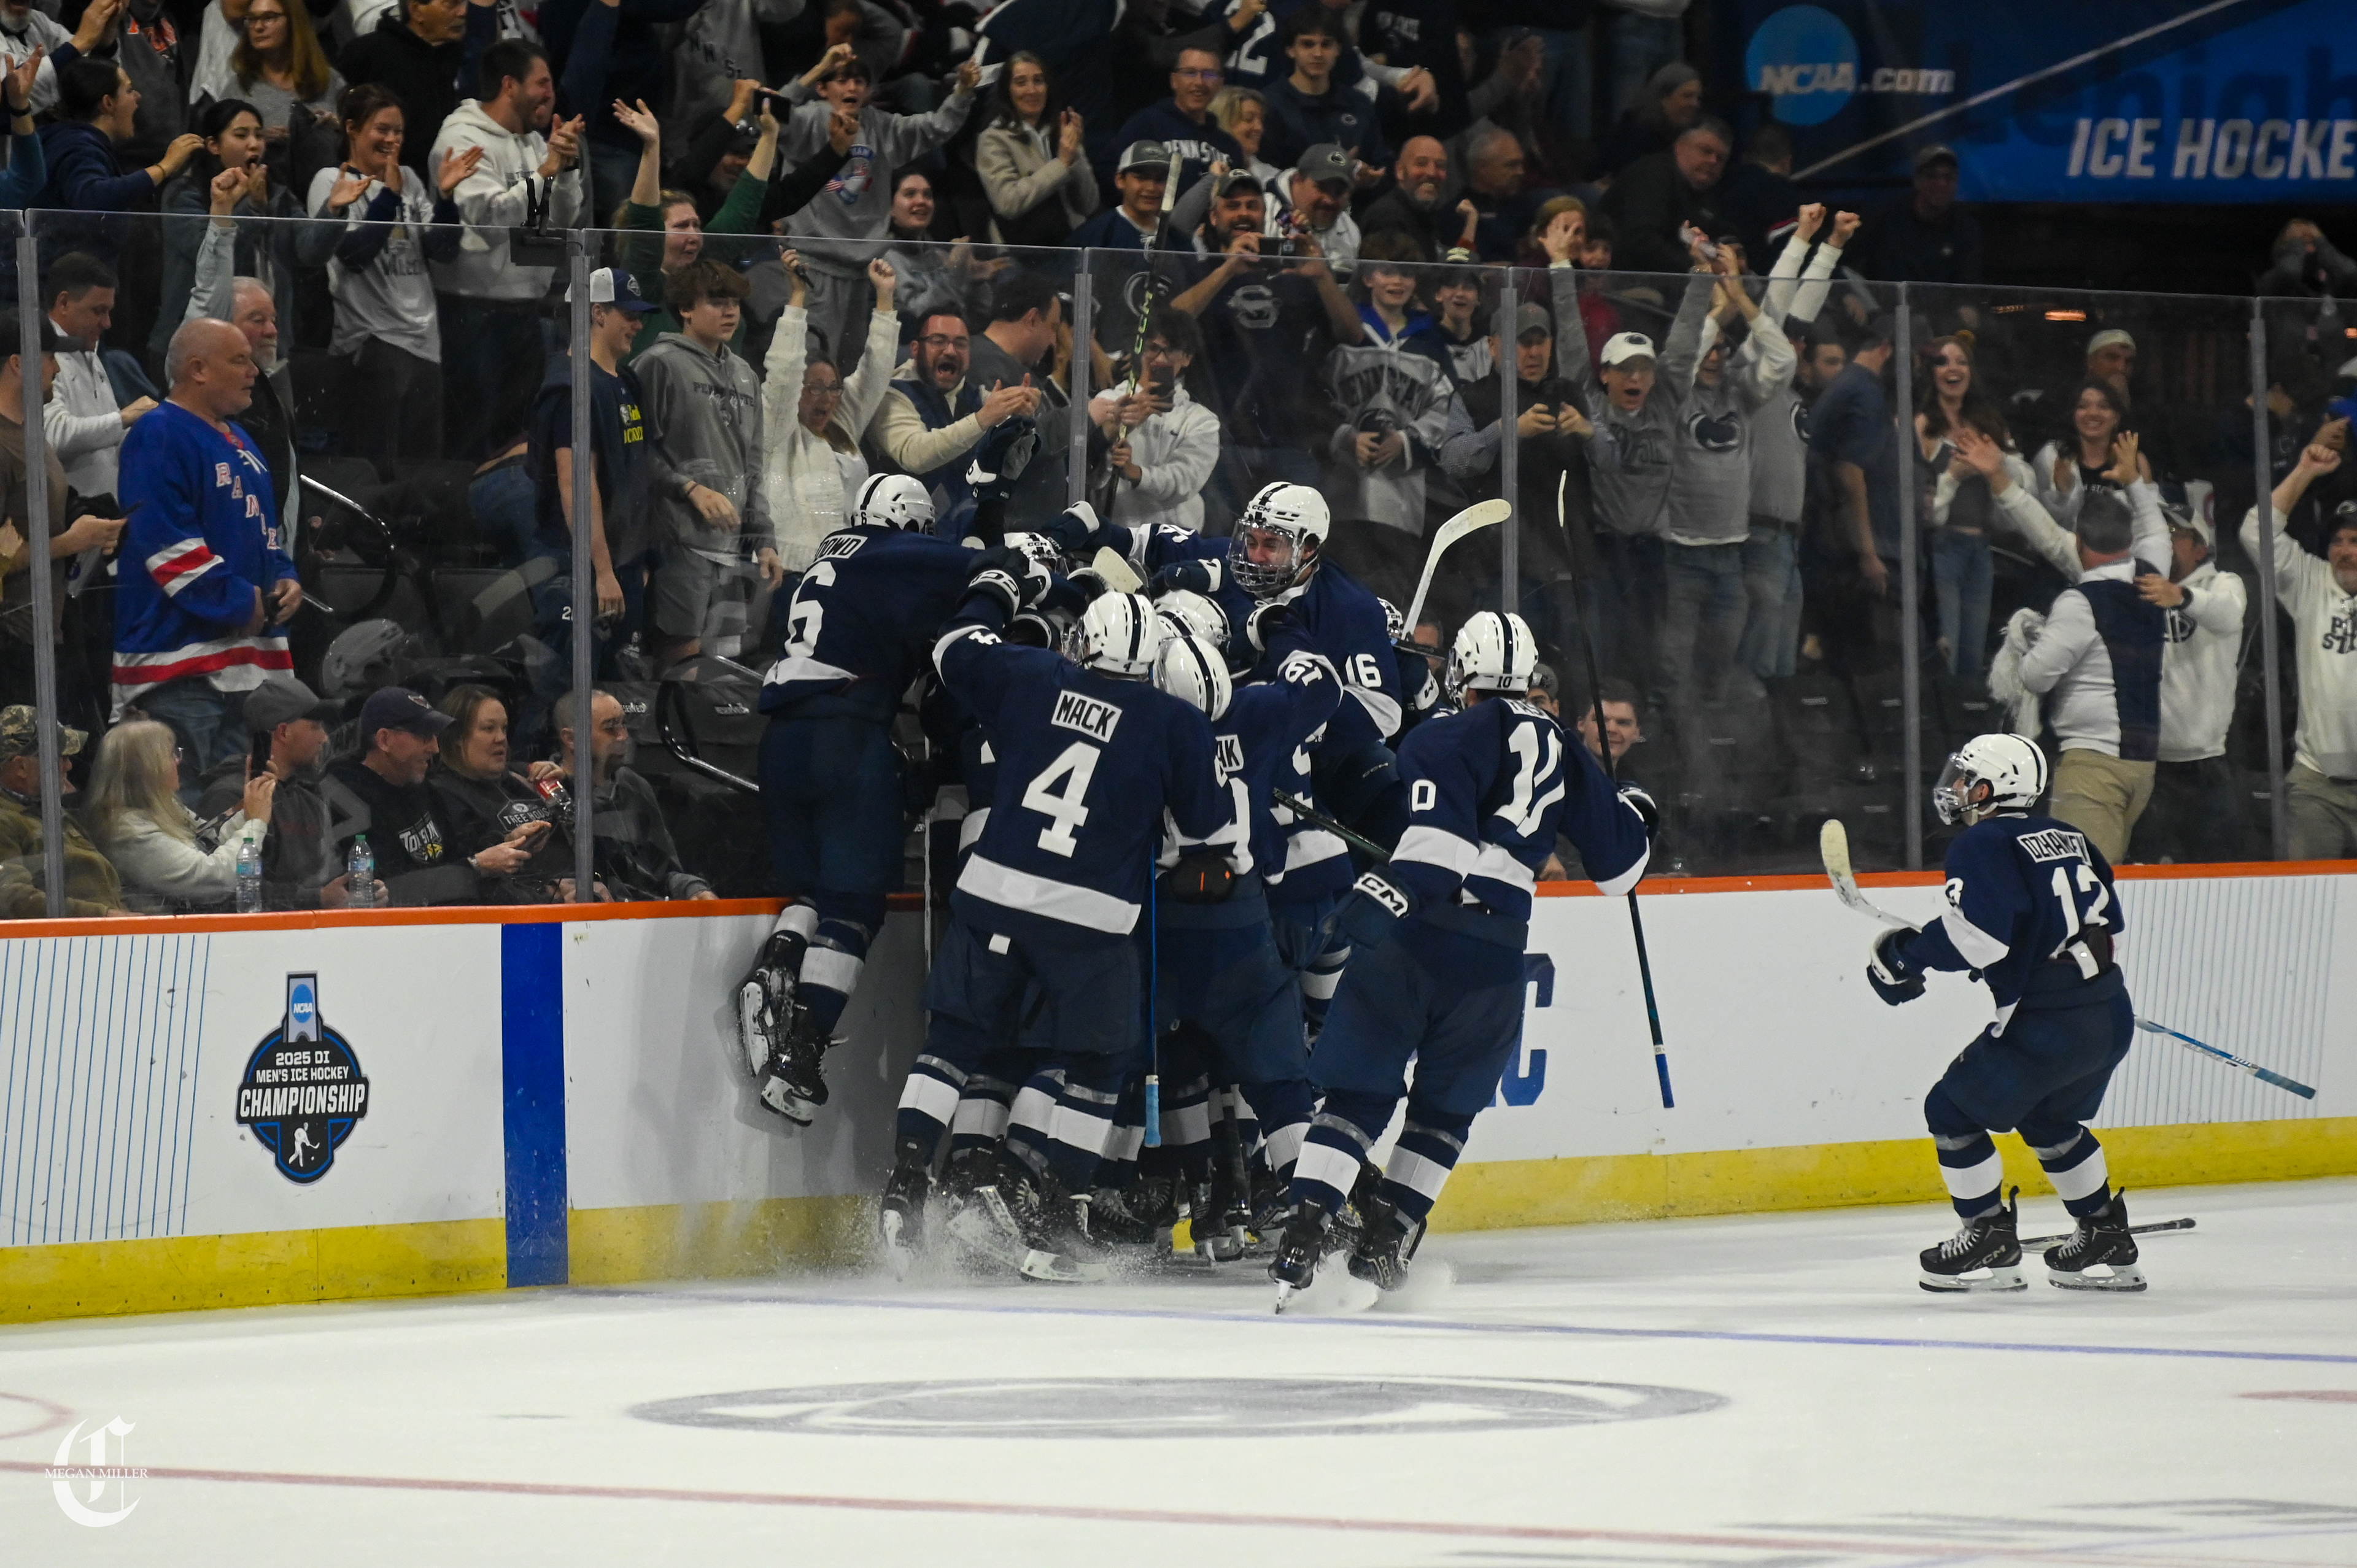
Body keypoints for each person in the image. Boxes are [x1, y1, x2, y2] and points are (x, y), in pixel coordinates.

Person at [1266, 611, 1652, 1307]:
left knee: (1356, 1095)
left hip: (1418, 938)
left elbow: (1437, 853)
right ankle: (1387, 1241)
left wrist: (1377, 898)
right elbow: (1622, 870)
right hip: (1495, 957)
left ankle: (1304, 1228)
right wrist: (1634, 812)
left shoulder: (1442, 734)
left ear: (1462, 676)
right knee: (1443, 1115)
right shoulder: (1565, 746)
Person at [882, 584, 1234, 1283]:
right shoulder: (1172, 719)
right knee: (1101, 1064)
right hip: (1089, 921)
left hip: (993, 895)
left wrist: (998, 585)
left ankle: (905, 1187)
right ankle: (1055, 1218)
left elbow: (952, 647)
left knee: (952, 1043)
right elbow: (1208, 831)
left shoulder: (1034, 674)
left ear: (1085, 643)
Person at [733, 472, 993, 1128]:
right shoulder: (895, 552)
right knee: (853, 908)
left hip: (781, 740)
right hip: (846, 736)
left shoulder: (829, 555)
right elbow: (983, 568)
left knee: (811, 889)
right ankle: (800, 1056)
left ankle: (777, 964)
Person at [1867, 732, 2145, 1292]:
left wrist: (1905, 956)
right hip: (2107, 1011)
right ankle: (2105, 1233)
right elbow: (2102, 919)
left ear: (1991, 788)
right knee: (2049, 1121)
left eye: (1967, 778)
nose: (1956, 787)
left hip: (2048, 1024)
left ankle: (1987, 1234)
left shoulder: (1983, 842)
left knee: (1950, 1111)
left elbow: (1981, 939)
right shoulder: (2068, 835)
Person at [1137, 620, 1342, 1259]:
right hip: (1242, 923)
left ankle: (1163, 1196)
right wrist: (1277, 634)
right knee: (1280, 1080)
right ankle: (1308, 1217)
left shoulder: (1143, 727)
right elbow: (1326, 687)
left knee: (1152, 1064)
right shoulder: (1256, 710)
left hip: (1165, 926)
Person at [115, 317, 299, 771]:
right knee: (182, 803)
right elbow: (166, 546)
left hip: (246, 668)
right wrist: (242, 601)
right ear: (198, 369)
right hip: (179, 665)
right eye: (239, 360)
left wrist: (285, 577)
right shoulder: (158, 433)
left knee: (235, 803)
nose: (253, 372)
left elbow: (264, 532)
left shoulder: (242, 439)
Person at [1547, 212, 1713, 678]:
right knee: (1605, 649)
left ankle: (1644, 715)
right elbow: (1570, 334)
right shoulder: (1589, 399)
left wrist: (1702, 274)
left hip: (1653, 552)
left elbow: (1685, 342)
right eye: (1624, 369)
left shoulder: (1665, 401)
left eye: (1643, 368)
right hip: (1601, 548)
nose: (1635, 377)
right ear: (1605, 374)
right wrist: (1560, 266)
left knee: (1650, 654)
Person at [767, 45, 980, 378]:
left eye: (859, 81)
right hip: (813, 268)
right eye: (842, 80)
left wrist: (963, 91)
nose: (852, 87)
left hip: (861, 274)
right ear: (823, 88)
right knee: (809, 372)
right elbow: (769, 110)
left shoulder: (882, 128)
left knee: (850, 375)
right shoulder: (809, 120)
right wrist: (819, 67)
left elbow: (936, 126)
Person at [1167, 171, 1364, 521]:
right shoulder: (1200, 272)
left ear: (1265, 213)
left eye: (1252, 205)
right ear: (1214, 217)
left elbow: (1352, 333)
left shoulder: (1293, 274)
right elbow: (1169, 326)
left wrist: (1323, 275)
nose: (1244, 213)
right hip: (1217, 439)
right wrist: (1226, 270)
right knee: (1218, 538)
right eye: (1233, 206)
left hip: (1291, 439)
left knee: (1294, 537)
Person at [1656, 235, 1796, 715]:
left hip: (1731, 557)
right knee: (1674, 670)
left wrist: (1741, 300)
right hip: (1681, 554)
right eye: (1709, 349)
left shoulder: (1742, 393)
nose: (1715, 356)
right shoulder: (1674, 395)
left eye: (1722, 349)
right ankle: (1674, 745)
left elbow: (1784, 360)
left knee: (1717, 670)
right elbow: (1681, 358)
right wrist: (1716, 313)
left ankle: (1714, 746)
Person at [301, 83, 474, 465]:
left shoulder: (407, 179)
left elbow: (442, 252)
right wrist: (389, 198)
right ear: (351, 128)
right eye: (382, 129)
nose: (392, 140)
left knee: (422, 471)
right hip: (372, 344)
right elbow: (354, 255)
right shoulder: (332, 181)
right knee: (377, 468)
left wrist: (446, 201)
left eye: (398, 131)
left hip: (424, 341)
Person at [429, 39, 587, 459]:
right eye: (542, 83)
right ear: (509, 86)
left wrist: (565, 169)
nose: (551, 93)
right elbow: (492, 222)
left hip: (527, 312)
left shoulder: (534, 143)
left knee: (520, 443)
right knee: (471, 440)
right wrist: (546, 171)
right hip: (474, 315)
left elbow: (558, 220)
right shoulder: (462, 139)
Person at [1999, 490, 2165, 863]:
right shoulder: (2155, 581)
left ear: (2079, 542)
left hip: (2093, 766)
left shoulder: (2080, 603)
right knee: (2111, 881)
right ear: (2130, 539)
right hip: (2143, 762)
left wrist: (2029, 641)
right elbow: (2158, 534)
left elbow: (2035, 677)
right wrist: (2136, 484)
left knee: (2082, 882)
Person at [637, 258, 776, 670]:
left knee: (720, 665)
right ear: (685, 308)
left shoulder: (746, 374)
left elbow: (753, 465)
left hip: (731, 548)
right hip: (676, 542)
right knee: (680, 659)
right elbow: (633, 452)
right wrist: (690, 488)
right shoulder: (659, 363)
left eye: (735, 302)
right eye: (717, 302)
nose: (730, 311)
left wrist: (764, 538)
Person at [1739, 208, 1851, 683]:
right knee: (1758, 660)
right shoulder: (1753, 382)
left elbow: (1798, 314)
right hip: (1758, 534)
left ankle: (1778, 719)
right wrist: (1805, 238)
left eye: (1801, 341)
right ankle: (1752, 719)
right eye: (1788, 340)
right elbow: (1776, 307)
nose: (1798, 346)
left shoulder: (1791, 394)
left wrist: (1834, 246)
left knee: (1782, 661)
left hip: (1788, 538)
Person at [2239, 430, 2357, 859]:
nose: (2345, 550)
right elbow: (2256, 533)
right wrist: (2305, 471)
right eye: (2338, 541)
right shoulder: (2311, 582)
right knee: (2308, 897)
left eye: (2356, 541)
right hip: (2317, 785)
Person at [527, 265, 654, 660]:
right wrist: (602, 570)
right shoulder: (574, 387)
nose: (638, 326)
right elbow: (577, 485)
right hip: (587, 567)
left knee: (623, 682)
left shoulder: (626, 382)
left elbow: (639, 475)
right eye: (628, 315)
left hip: (624, 563)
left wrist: (640, 561)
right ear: (598, 313)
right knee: (575, 677)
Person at [0, 309, 122, 711]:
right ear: (18, 364)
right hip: (13, 643)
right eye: (50, 357)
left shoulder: (30, 436)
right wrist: (70, 542)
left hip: (48, 634)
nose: (56, 368)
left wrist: (86, 530)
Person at [322, 684, 535, 905]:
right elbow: (383, 891)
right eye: (424, 736)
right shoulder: (347, 802)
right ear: (384, 740)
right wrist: (476, 866)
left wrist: (505, 843)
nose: (435, 748)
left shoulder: (421, 785)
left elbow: (454, 853)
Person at [762, 253, 902, 581]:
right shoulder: (776, 429)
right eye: (814, 388)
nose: (826, 398)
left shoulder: (842, 425)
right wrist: (798, 297)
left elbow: (875, 372)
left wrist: (885, 297)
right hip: (792, 570)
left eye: (833, 388)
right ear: (796, 391)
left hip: (847, 567)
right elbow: (784, 371)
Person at [611, 94, 780, 357]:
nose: (694, 235)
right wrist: (652, 146)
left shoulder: (704, 266)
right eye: (682, 226)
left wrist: (769, 136)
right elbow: (644, 222)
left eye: (696, 225)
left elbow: (743, 206)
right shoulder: (642, 282)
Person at [2126, 509, 2245, 864]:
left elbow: (2229, 614)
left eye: (2176, 533)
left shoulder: (2223, 583)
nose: (2165, 540)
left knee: (2218, 881)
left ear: (2200, 548)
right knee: (2146, 878)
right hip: (2148, 764)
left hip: (2207, 764)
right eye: (2160, 532)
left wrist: (2180, 596)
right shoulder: (2134, 587)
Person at [193, 675, 369, 908]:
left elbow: (327, 876)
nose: (324, 738)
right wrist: (316, 899)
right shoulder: (228, 796)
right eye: (316, 727)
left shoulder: (310, 800)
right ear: (284, 732)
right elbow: (224, 890)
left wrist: (354, 892)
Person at [1323, 231, 1453, 539]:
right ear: (1368, 278)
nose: (1398, 282)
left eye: (1406, 274)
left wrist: (1407, 442)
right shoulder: (1344, 333)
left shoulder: (1430, 340)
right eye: (1388, 272)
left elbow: (1449, 407)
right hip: (1341, 488)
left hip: (1406, 496)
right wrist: (1345, 436)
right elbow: (1314, 398)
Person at [869, 308, 1042, 539]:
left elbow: (1012, 467)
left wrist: (1022, 418)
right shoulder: (892, 395)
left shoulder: (981, 398)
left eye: (960, 344)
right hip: (902, 542)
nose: (950, 351)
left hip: (968, 541)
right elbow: (914, 455)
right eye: (938, 341)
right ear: (916, 348)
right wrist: (983, 420)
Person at [34, 57, 206, 271]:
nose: (138, 97)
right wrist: (164, 167)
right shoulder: (78, 146)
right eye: (129, 90)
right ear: (108, 103)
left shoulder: (73, 140)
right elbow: (93, 197)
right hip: (62, 281)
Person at [80, 717, 268, 910]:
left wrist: (251, 808)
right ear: (149, 768)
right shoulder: (129, 833)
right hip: (161, 928)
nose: (179, 760)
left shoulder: (162, 806)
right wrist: (255, 824)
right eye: (172, 754)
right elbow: (213, 880)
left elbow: (210, 843)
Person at [549, 685, 713, 901]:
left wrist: (693, 889)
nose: (624, 736)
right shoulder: (548, 794)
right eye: (611, 728)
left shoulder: (635, 786)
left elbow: (663, 872)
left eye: (624, 724)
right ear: (571, 739)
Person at [1916, 335, 2017, 681]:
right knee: (1947, 649)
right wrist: (1954, 475)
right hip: (1941, 547)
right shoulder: (1922, 426)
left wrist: (1997, 461)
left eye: (1961, 361)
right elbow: (1917, 503)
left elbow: (2015, 484)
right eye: (1943, 362)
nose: (1953, 369)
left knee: (1974, 656)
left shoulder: (1990, 425)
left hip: (1981, 549)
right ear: (1931, 372)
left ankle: (1969, 713)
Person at [427, 683, 581, 903]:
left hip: (580, 887)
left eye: (504, 728)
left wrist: (567, 784)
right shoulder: (442, 794)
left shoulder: (525, 775)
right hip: (532, 905)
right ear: (458, 737)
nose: (501, 738)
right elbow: (472, 870)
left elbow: (581, 827)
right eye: (489, 729)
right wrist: (550, 893)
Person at [1807, 314, 1900, 675]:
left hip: (1835, 543)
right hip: (1844, 552)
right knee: (1864, 662)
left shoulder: (1849, 386)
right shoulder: (1864, 391)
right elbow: (1849, 471)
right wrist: (1868, 552)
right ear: (1887, 349)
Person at [1088, 306, 1220, 533]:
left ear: (1187, 358)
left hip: (1175, 538)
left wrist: (1137, 473)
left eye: (1171, 350)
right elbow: (1085, 471)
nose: (1160, 359)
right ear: (1140, 350)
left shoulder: (1202, 421)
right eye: (1153, 348)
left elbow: (1186, 480)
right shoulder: (1106, 402)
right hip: (1115, 533)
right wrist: (1120, 428)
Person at [962, 269, 1072, 531]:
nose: (1053, 341)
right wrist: (1087, 416)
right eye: (1053, 328)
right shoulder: (979, 365)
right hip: (1004, 533)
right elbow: (1009, 443)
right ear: (1032, 319)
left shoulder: (1019, 370)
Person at [42, 255, 153, 503]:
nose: (107, 323)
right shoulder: (40, 356)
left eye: (109, 312)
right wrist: (125, 418)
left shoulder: (89, 350)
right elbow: (54, 435)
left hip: (104, 510)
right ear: (64, 303)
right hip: (66, 516)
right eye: (98, 311)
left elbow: (108, 437)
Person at [0, 705, 125, 916]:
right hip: (74, 935)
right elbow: (13, 897)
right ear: (21, 768)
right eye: (60, 758)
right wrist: (103, 916)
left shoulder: (50, 811)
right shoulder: (6, 820)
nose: (69, 766)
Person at [975, 51, 1096, 249]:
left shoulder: (1062, 130)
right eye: (1021, 82)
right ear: (1007, 90)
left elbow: (1088, 205)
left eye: (1038, 81)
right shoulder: (993, 139)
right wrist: (1062, 164)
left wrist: (1076, 157)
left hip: (1073, 244)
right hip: (1022, 251)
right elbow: (1008, 203)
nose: (1032, 91)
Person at [338, 0, 475, 161]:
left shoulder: (467, 57)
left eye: (464, 2)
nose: (463, 12)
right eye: (451, 4)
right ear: (416, 10)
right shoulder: (366, 53)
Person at [1596, 117, 1729, 277]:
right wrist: (1700, 268)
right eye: (1706, 151)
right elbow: (1642, 241)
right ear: (1680, 147)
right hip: (1620, 278)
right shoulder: (1652, 175)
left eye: (1721, 158)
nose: (1713, 161)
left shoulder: (1709, 197)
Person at [1261, 8, 1389, 176]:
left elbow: (1382, 163)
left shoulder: (1359, 104)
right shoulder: (1268, 105)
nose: (1318, 54)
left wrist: (1373, 179)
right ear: (1290, 50)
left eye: (1326, 45)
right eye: (1308, 44)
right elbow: (1266, 173)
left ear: (1338, 49)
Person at [1102, 44, 1242, 195]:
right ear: (1174, 80)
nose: (1199, 82)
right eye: (1190, 73)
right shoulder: (1146, 125)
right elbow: (1108, 175)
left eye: (1209, 75)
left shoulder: (1229, 146)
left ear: (1220, 83)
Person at [1852, 144, 1981, 286]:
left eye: (1949, 177)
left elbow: (1967, 285)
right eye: (1933, 176)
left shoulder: (1966, 229)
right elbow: (1846, 259)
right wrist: (1851, 293)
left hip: (1938, 301)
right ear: (1917, 179)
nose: (1942, 184)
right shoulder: (1883, 213)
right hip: (1882, 299)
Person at [2030, 377, 2148, 530]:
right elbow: (2040, 524)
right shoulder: (2052, 456)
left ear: (2116, 418)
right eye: (2083, 406)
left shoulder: (2134, 460)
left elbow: (2149, 517)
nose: (2093, 413)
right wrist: (2062, 495)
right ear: (2074, 415)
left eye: (2104, 407)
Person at [216, 0, 341, 134]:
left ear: (293, 22)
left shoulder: (330, 81)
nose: (258, 27)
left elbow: (353, 134)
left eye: (269, 17)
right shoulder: (239, 89)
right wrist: (260, 139)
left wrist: (337, 128)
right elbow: (219, 140)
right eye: (252, 19)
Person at [1357, 134, 1455, 263]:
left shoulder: (1428, 214)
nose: (1432, 173)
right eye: (1421, 163)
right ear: (1400, 170)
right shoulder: (1386, 217)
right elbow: (1388, 274)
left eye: (1440, 165)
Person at [1596, 58, 1700, 176]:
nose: (1695, 104)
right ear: (1663, 97)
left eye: (1697, 98)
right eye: (1687, 96)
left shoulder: (1685, 135)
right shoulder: (1635, 134)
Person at [1205, 84, 1281, 193]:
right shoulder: (1202, 172)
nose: (1259, 128)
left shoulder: (1273, 178)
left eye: (1261, 120)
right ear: (1223, 121)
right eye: (1249, 119)